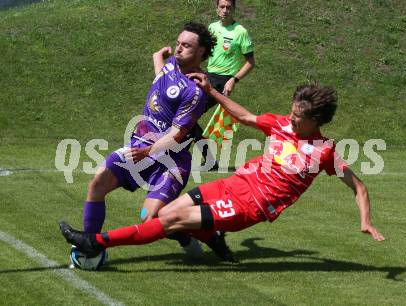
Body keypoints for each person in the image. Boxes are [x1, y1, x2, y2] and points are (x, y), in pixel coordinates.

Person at [59, 76, 385, 264]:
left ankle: (96, 242)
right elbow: (244, 117)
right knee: (167, 216)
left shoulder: (324, 151)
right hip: (233, 184)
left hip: (250, 206)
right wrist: (213, 92)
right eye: (292, 112)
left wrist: (366, 221)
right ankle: (213, 237)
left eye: (299, 117)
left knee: (167, 221)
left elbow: (359, 187)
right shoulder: (281, 124)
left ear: (317, 121)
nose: (291, 118)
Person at [79, 22, 217, 258]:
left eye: (186, 45)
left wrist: (148, 151)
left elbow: (177, 135)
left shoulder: (195, 91)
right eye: (178, 43)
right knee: (97, 184)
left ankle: (196, 235)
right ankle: (89, 246)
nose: (179, 48)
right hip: (139, 148)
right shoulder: (172, 64)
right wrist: (157, 57)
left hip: (170, 160)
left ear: (201, 52)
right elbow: (163, 81)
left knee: (152, 219)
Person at [192, 0, 255, 167]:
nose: (225, 10)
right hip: (207, 76)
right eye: (222, 7)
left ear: (234, 9)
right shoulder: (212, 28)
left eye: (228, 7)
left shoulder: (240, 32)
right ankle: (209, 160)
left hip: (222, 82)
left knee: (187, 117)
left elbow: (250, 62)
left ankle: (176, 154)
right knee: (187, 117)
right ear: (217, 8)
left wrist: (233, 80)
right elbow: (202, 51)